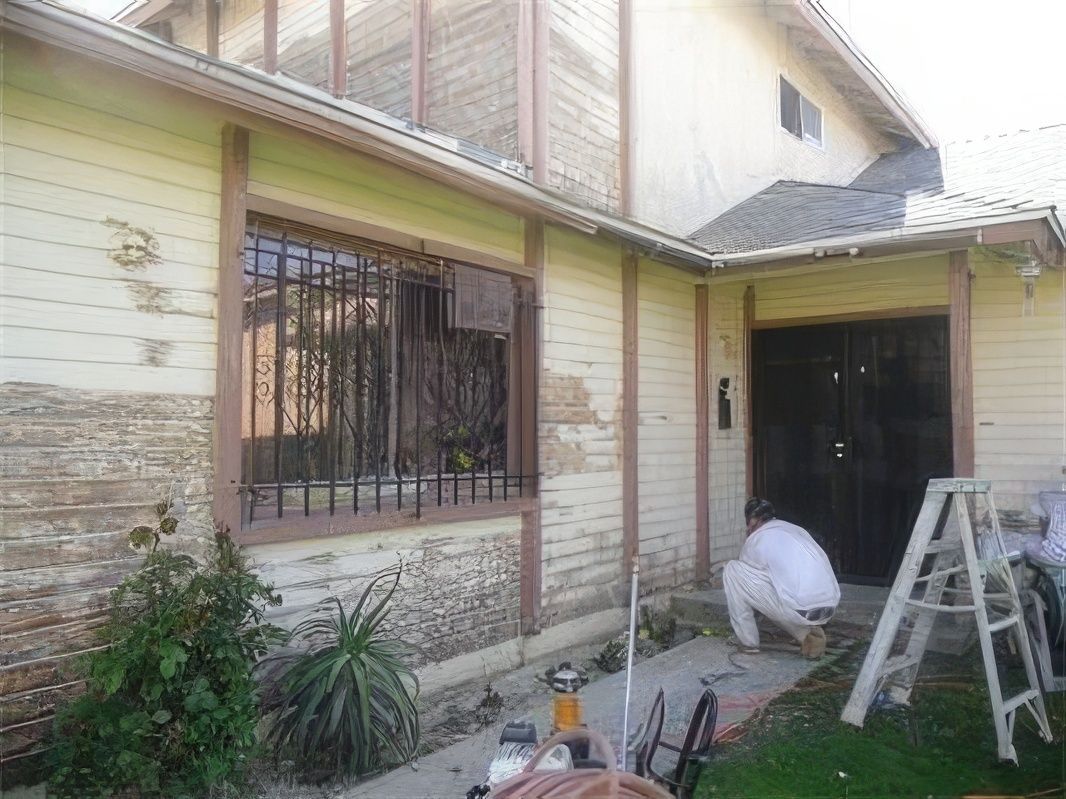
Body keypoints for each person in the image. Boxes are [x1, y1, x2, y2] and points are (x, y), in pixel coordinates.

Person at [723, 498, 840, 658]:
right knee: (786, 585)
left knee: (732, 571)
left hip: (803, 610)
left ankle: (748, 643)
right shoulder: (795, 530)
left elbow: (747, 587)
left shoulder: (757, 538)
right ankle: (812, 631)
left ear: (752, 521)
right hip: (829, 607)